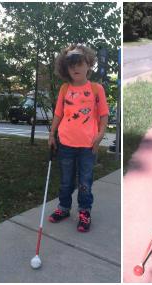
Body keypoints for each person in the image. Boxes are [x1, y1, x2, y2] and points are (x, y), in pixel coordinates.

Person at [47, 44, 109, 232]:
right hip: (65, 143)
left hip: (87, 145)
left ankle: (84, 212)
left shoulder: (96, 89)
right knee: (66, 180)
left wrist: (100, 135)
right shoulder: (65, 89)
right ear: (65, 70)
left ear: (88, 64)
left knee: (84, 182)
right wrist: (52, 134)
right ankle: (64, 208)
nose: (76, 69)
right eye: (71, 66)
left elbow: (104, 114)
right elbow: (59, 113)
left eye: (79, 64)